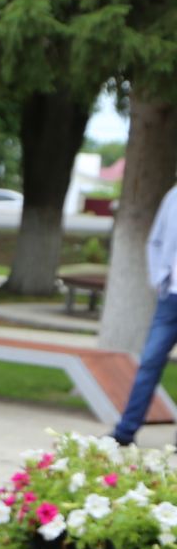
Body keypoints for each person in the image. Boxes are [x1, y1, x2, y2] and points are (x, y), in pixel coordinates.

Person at [112, 182, 177, 445]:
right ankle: (125, 432)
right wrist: (159, 277)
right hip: (170, 297)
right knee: (149, 362)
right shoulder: (173, 195)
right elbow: (156, 240)